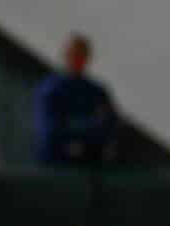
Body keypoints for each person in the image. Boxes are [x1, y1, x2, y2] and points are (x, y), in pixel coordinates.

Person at [33, 34, 118, 165]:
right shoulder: (51, 90)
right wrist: (88, 126)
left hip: (90, 164)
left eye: (81, 55)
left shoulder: (97, 92)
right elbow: (49, 130)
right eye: (73, 54)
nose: (77, 59)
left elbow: (108, 129)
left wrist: (74, 129)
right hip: (54, 165)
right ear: (66, 56)